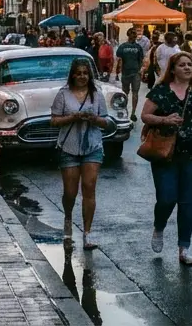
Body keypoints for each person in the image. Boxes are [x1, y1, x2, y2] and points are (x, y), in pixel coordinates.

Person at [141, 52, 192, 266]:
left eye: (190, 65)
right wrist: (164, 120)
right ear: (172, 69)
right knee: (167, 198)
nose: (187, 68)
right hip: (164, 153)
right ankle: (159, 227)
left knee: (187, 202)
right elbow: (145, 115)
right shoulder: (161, 91)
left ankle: (184, 249)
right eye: (182, 65)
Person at [50, 57, 112, 250]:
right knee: (70, 192)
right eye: (79, 73)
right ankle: (68, 218)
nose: (82, 77)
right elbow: (53, 121)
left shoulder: (97, 94)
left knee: (89, 187)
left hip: (92, 146)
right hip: (69, 147)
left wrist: (94, 119)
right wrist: (73, 117)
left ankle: (87, 233)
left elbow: (107, 121)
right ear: (73, 75)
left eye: (85, 73)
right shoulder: (63, 94)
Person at [114, 29, 146, 121]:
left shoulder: (135, 47)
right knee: (126, 93)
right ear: (129, 35)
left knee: (133, 93)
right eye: (133, 34)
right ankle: (127, 111)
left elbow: (141, 60)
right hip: (127, 72)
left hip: (134, 73)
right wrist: (117, 72)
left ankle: (132, 113)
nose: (134, 36)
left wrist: (141, 70)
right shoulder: (124, 47)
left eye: (135, 34)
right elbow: (119, 60)